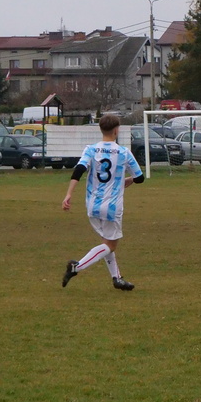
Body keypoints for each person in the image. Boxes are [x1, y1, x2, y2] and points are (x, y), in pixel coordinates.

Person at [61, 114, 143, 290]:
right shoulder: (123, 152)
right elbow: (140, 178)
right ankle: (77, 267)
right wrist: (127, 181)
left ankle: (117, 278)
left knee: (106, 241)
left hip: (92, 205)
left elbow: (79, 170)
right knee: (110, 245)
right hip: (112, 207)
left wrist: (68, 194)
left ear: (101, 129)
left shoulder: (91, 149)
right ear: (116, 130)